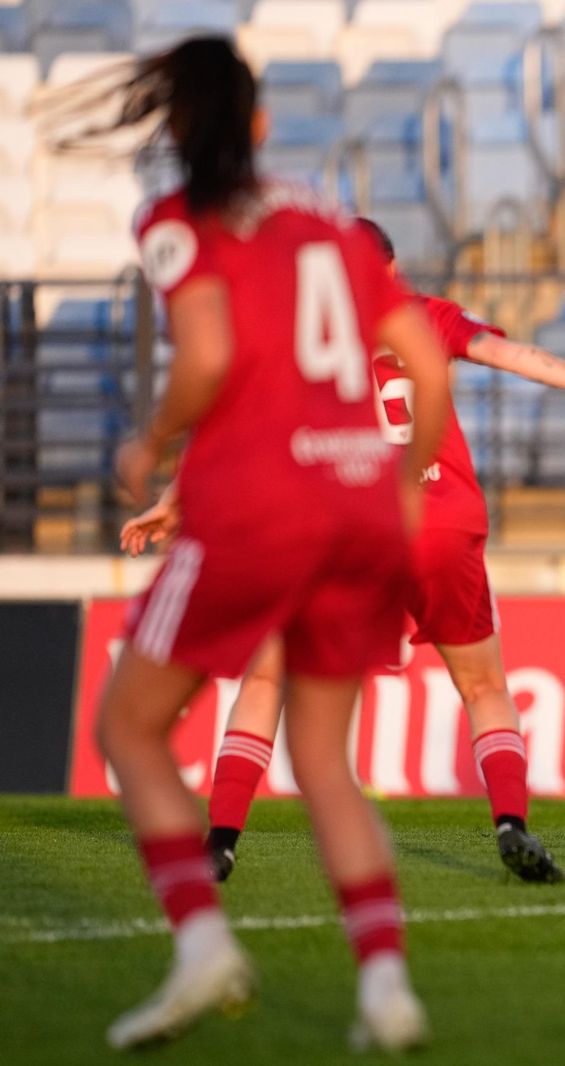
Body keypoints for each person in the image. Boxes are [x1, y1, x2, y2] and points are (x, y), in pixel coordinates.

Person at [62, 38, 449, 1050]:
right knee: (324, 759)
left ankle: (201, 946)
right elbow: (421, 363)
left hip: (257, 504)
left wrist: (150, 438)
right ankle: (386, 987)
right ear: (264, 123)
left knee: (132, 728)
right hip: (357, 500)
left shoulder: (175, 219)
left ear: (176, 128)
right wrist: (401, 490)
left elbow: (208, 353)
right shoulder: (326, 216)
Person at [121, 218, 565, 884]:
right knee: (484, 685)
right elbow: (516, 356)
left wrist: (174, 503)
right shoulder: (423, 316)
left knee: (267, 679)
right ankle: (510, 825)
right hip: (441, 522)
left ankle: (221, 839)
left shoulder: (307, 342)